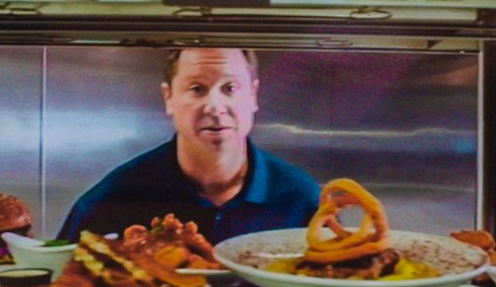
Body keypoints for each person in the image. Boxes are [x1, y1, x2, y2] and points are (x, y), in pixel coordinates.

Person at [55, 37, 327, 247]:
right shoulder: (109, 201)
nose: (215, 106)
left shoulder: (301, 200)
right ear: (169, 98)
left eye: (230, 88)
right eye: (197, 89)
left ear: (253, 95)